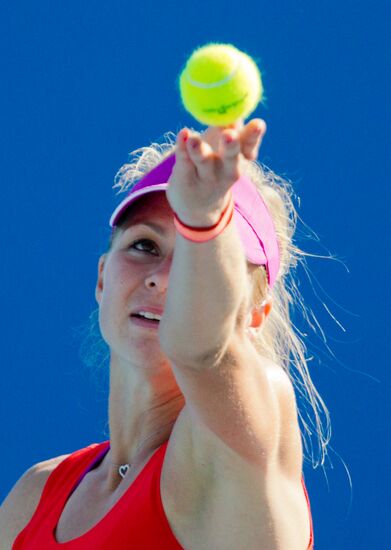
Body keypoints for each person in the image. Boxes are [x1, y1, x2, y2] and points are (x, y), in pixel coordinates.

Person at [1, 118, 316, 549]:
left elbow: (204, 349)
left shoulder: (247, 435)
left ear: (254, 315)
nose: (164, 279)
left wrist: (206, 219)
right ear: (101, 279)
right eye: (145, 246)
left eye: (191, 258)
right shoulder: (32, 497)